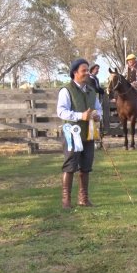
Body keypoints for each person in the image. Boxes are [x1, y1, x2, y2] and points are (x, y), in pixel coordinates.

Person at [57, 58, 103, 209]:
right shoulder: (66, 90)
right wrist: (80, 116)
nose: (87, 73)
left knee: (86, 165)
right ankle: (66, 201)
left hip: (88, 133)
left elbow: (98, 108)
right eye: (84, 71)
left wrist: (97, 115)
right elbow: (61, 111)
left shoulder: (91, 91)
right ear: (75, 73)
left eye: (88, 70)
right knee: (70, 165)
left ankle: (83, 198)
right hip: (72, 133)